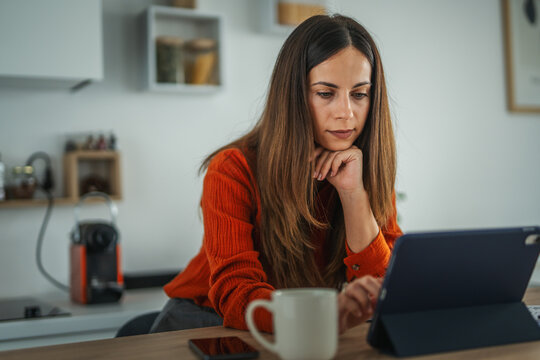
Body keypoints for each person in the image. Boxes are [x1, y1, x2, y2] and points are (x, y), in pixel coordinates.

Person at [150, 13, 402, 335]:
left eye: (359, 94)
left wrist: (354, 196)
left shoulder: (365, 170)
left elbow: (387, 289)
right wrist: (320, 315)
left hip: (296, 324)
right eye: (326, 93)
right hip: (202, 322)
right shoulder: (232, 170)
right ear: (293, 94)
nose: (346, 113)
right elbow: (237, 295)